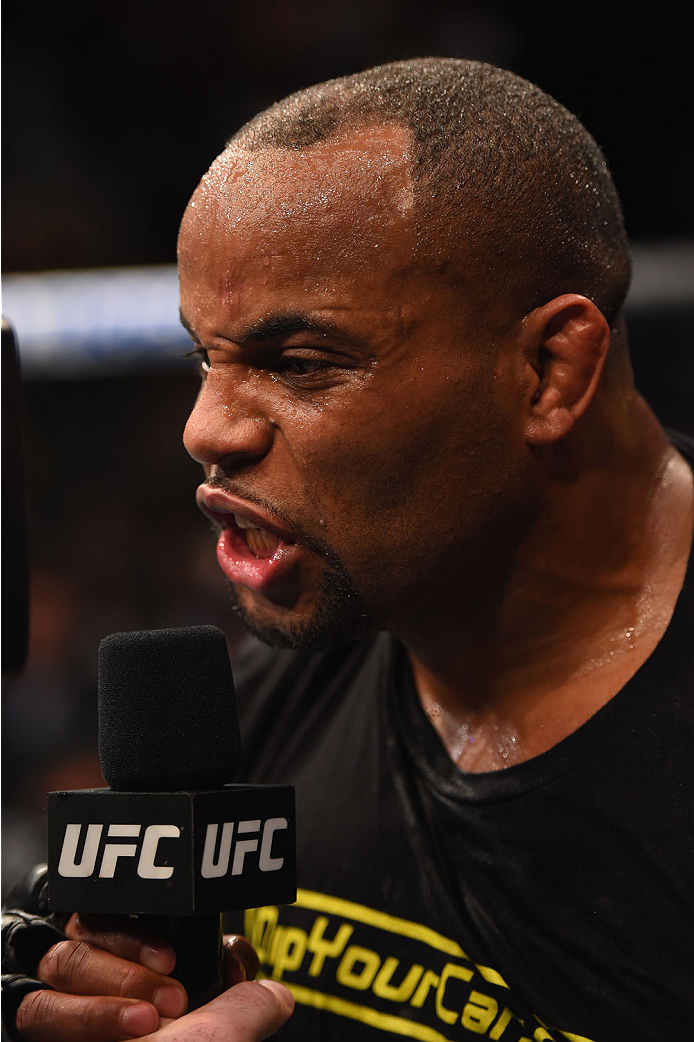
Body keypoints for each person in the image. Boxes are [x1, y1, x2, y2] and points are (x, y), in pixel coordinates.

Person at [3, 57, 692, 1041]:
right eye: (208, 354)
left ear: (548, 369)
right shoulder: (278, 695)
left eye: (299, 362)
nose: (206, 428)